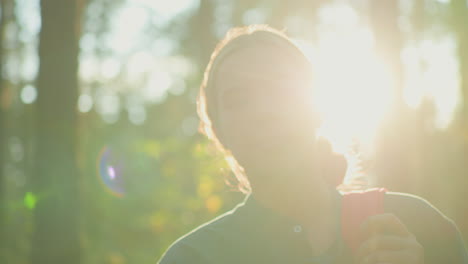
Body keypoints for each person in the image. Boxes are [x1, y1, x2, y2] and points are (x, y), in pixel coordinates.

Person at [157, 25, 468, 264]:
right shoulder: (194, 257)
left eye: (280, 87)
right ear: (219, 133)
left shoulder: (417, 224)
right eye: (238, 99)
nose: (264, 111)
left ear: (318, 107)